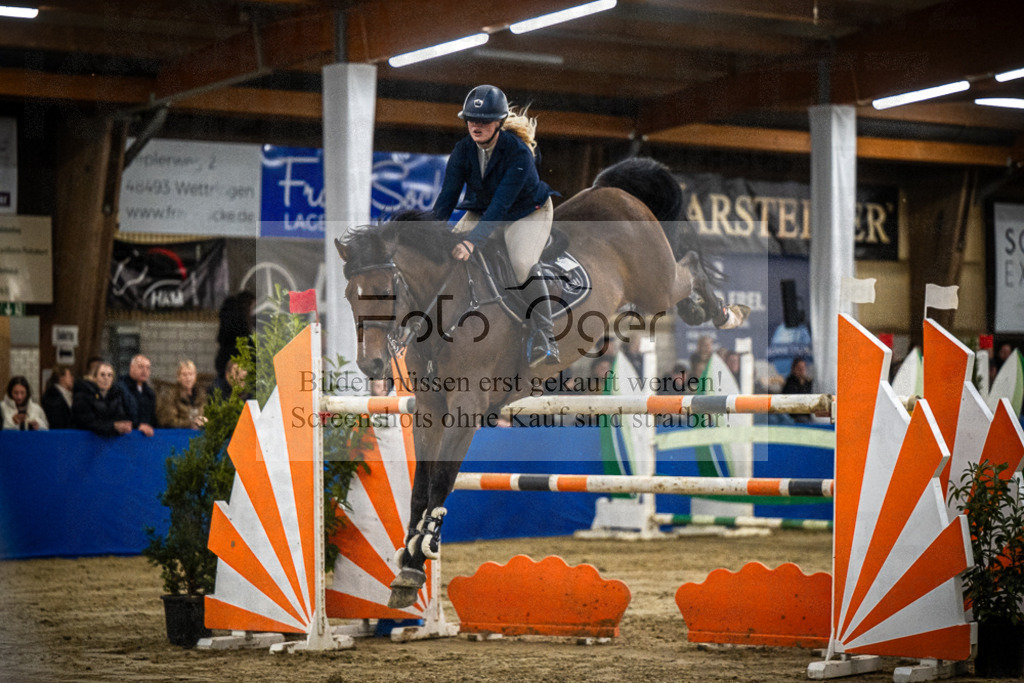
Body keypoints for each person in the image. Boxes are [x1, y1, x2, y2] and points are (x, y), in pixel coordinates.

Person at [431, 84, 560, 368]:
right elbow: (447, 198)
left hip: (526, 213)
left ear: (498, 123)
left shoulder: (518, 153)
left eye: (484, 121)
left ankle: (545, 334)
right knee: (443, 255)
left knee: (522, 262)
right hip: (482, 209)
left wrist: (471, 242)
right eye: (471, 119)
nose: (476, 126)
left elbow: (501, 207)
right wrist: (427, 235)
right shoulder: (462, 150)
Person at [72, 361, 132, 436]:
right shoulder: (83, 394)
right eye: (102, 375)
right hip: (84, 441)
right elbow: (86, 422)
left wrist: (122, 425)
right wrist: (113, 426)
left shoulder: (116, 395)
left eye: (109, 375)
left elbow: (120, 417)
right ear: (94, 378)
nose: (106, 378)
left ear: (112, 379)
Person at [215, 291, 256, 381]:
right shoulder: (242, 329)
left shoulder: (227, 324)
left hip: (224, 364)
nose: (252, 311)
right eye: (252, 308)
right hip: (236, 368)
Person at [157, 360, 207, 429]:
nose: (188, 378)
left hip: (199, 435)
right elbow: (168, 421)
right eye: (184, 374)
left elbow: (207, 415)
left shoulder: (201, 395)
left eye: (191, 374)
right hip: (178, 435)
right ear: (178, 378)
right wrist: (190, 423)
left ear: (195, 377)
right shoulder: (171, 395)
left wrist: (205, 421)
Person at [117, 354, 156, 436]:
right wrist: (137, 425)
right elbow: (120, 414)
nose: (144, 371)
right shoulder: (120, 388)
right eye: (141, 367)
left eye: (147, 368)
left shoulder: (150, 393)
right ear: (131, 367)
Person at [41, 364, 76, 429]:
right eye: (70, 375)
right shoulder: (52, 396)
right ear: (62, 378)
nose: (72, 378)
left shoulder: (69, 395)